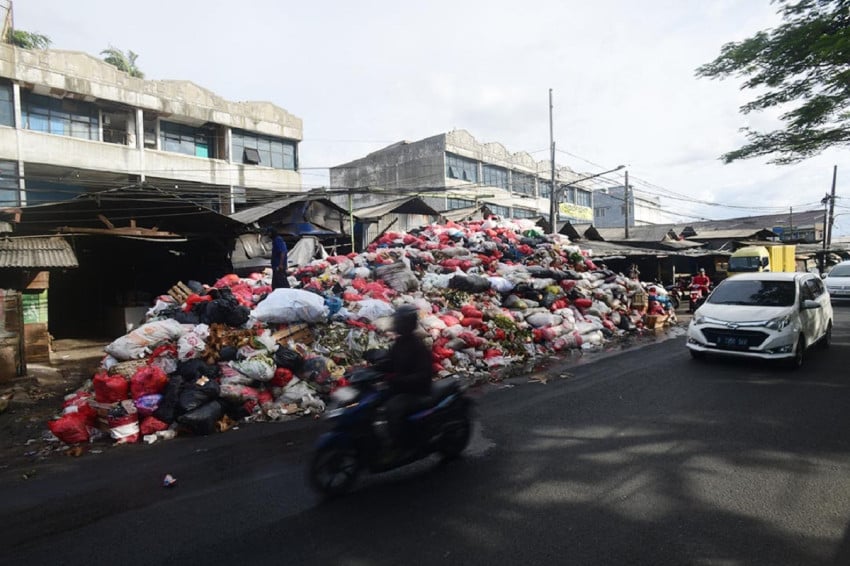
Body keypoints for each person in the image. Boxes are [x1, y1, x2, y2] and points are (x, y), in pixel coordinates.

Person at [382, 304, 433, 450]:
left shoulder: (417, 346)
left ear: (407, 323)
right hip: (402, 388)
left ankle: (400, 446)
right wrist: (372, 369)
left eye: (399, 322)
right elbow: (390, 362)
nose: (397, 324)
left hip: (417, 391)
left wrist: (398, 380)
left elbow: (423, 375)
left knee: (393, 408)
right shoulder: (400, 343)